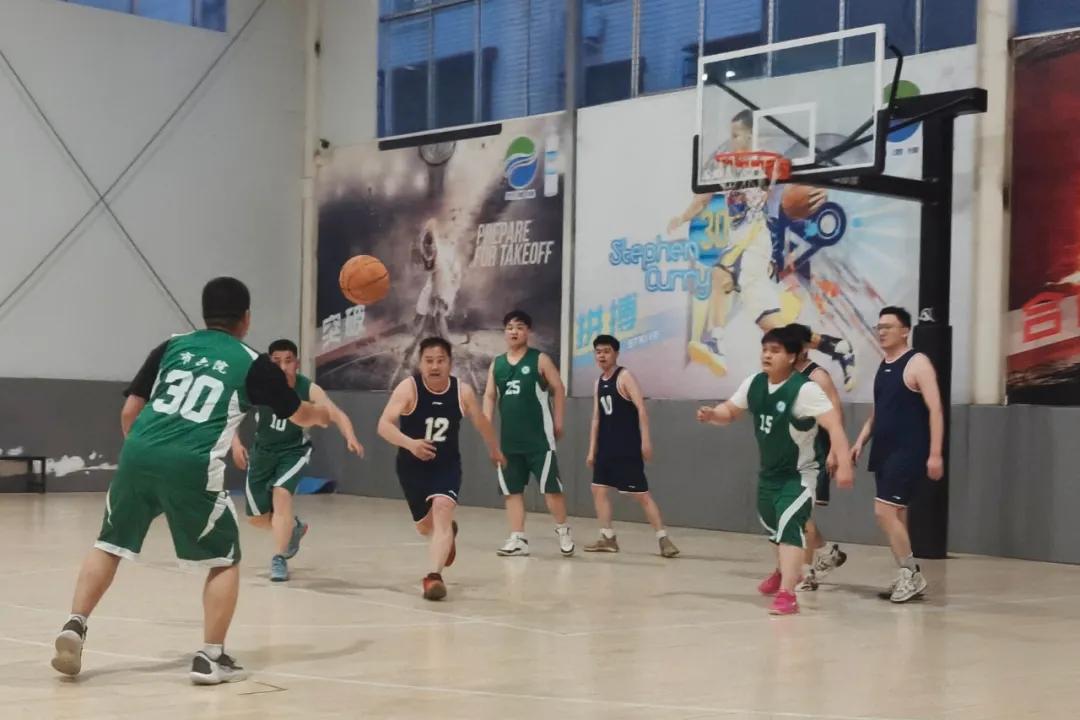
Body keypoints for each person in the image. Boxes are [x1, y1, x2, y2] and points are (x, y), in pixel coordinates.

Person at [51, 277, 331, 684]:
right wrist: (322, 414)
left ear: (205, 314)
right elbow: (299, 414)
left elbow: (130, 411)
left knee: (109, 543)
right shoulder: (253, 362)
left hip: (138, 452)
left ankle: (75, 624)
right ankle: (210, 656)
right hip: (191, 463)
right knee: (224, 557)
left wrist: (144, 456)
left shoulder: (172, 346)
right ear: (246, 319)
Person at [668, 110, 856, 390]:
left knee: (720, 275)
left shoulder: (766, 164)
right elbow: (703, 197)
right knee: (778, 331)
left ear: (750, 136)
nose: (732, 140)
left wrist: (822, 186)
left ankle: (716, 342)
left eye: (736, 135)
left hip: (756, 238)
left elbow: (797, 183)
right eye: (731, 135)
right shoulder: (725, 166)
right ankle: (836, 346)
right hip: (738, 240)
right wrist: (682, 217)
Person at [696, 327, 854, 615]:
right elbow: (729, 412)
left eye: (775, 350)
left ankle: (787, 594)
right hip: (769, 474)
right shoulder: (754, 383)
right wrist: (712, 415)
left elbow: (834, 424)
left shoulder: (805, 389)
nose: (767, 355)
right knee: (774, 524)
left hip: (800, 474)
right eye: (765, 349)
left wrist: (843, 464)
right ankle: (783, 572)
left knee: (791, 524)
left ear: (792, 356)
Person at [378, 336, 505, 600]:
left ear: (450, 363)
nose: (435, 366)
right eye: (429, 361)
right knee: (426, 528)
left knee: (443, 508)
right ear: (420, 363)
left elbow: (481, 422)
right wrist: (410, 444)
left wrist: (494, 449)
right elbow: (384, 426)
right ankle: (447, 536)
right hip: (411, 467)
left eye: (440, 360)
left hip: (446, 465)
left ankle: (434, 577)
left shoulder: (462, 392)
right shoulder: (408, 388)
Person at [231, 338, 364, 582]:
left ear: (297, 363)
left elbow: (335, 413)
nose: (283, 367)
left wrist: (350, 436)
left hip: (293, 451)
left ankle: (279, 558)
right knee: (256, 518)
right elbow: (232, 411)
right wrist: (236, 442)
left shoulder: (308, 388)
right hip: (262, 453)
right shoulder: (260, 384)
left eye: (288, 361)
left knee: (281, 494)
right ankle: (294, 528)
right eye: (277, 362)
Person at [852, 306, 944, 603]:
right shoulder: (884, 364)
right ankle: (906, 575)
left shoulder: (918, 363)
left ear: (905, 331)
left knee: (884, 511)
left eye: (888, 327)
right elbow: (879, 411)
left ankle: (912, 573)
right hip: (884, 449)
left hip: (908, 451)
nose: (882, 332)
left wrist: (935, 454)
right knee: (897, 515)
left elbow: (936, 410)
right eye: (879, 327)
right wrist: (860, 441)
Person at [483, 310, 574, 557]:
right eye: (510, 327)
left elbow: (558, 388)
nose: (514, 331)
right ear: (505, 332)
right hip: (509, 442)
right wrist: (487, 426)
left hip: (539, 439)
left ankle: (563, 530)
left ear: (528, 332)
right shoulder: (497, 364)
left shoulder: (539, 359)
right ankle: (518, 538)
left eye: (520, 327)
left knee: (551, 489)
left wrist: (558, 421)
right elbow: (489, 396)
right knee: (512, 490)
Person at [583, 335, 679, 558]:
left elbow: (641, 409)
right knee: (598, 489)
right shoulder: (599, 382)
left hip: (626, 446)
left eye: (606, 351)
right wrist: (591, 449)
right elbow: (596, 417)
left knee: (641, 495)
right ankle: (607, 537)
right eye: (598, 352)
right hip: (605, 448)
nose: (602, 356)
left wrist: (645, 441)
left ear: (616, 353)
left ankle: (663, 539)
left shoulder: (624, 377)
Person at [788, 324, 848, 591]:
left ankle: (807, 573)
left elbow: (835, 413)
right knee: (796, 513)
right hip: (792, 452)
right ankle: (826, 552)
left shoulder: (818, 376)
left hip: (816, 453)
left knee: (801, 514)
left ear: (805, 347)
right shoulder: (786, 375)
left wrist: (835, 451)